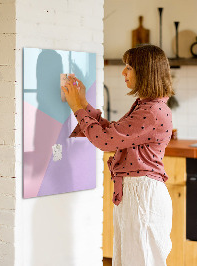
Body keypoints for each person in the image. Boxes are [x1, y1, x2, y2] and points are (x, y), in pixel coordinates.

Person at [61, 44, 174, 266]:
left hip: (142, 195)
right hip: (136, 193)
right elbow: (113, 134)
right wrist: (83, 103)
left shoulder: (151, 111)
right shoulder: (147, 106)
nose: (123, 72)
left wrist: (77, 108)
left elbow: (105, 141)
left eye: (129, 67)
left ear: (145, 71)